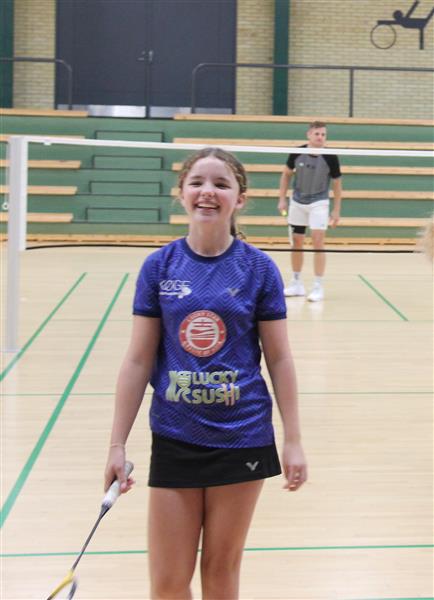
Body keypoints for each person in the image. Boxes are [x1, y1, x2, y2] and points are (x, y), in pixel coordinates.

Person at [104, 147, 307, 600]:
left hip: (243, 436)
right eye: (197, 182)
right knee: (168, 583)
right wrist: (117, 445)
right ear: (181, 193)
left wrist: (292, 439)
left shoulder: (259, 269)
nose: (208, 192)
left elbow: (279, 359)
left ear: (240, 198)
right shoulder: (159, 267)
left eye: (221, 184)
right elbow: (137, 360)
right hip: (175, 435)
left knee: (220, 573)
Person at [278, 121, 343, 302]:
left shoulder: (331, 157)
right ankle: (296, 283)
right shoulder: (297, 152)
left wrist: (336, 210)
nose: (320, 137)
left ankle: (318, 286)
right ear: (309, 135)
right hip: (298, 202)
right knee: (296, 241)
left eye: (323, 134)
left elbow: (337, 184)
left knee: (318, 241)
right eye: (317, 134)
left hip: (319, 203)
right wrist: (282, 199)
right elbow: (286, 175)